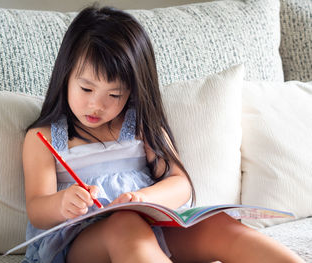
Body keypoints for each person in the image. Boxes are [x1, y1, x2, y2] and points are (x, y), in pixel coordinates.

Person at [22, 5, 304, 263]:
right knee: (124, 225)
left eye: (114, 94)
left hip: (148, 229)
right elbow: (37, 209)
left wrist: (143, 199)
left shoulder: (140, 127)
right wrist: (63, 203)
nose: (97, 104)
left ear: (132, 90)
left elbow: (180, 184)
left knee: (219, 224)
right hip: (80, 245)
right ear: (65, 76)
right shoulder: (44, 138)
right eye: (86, 89)